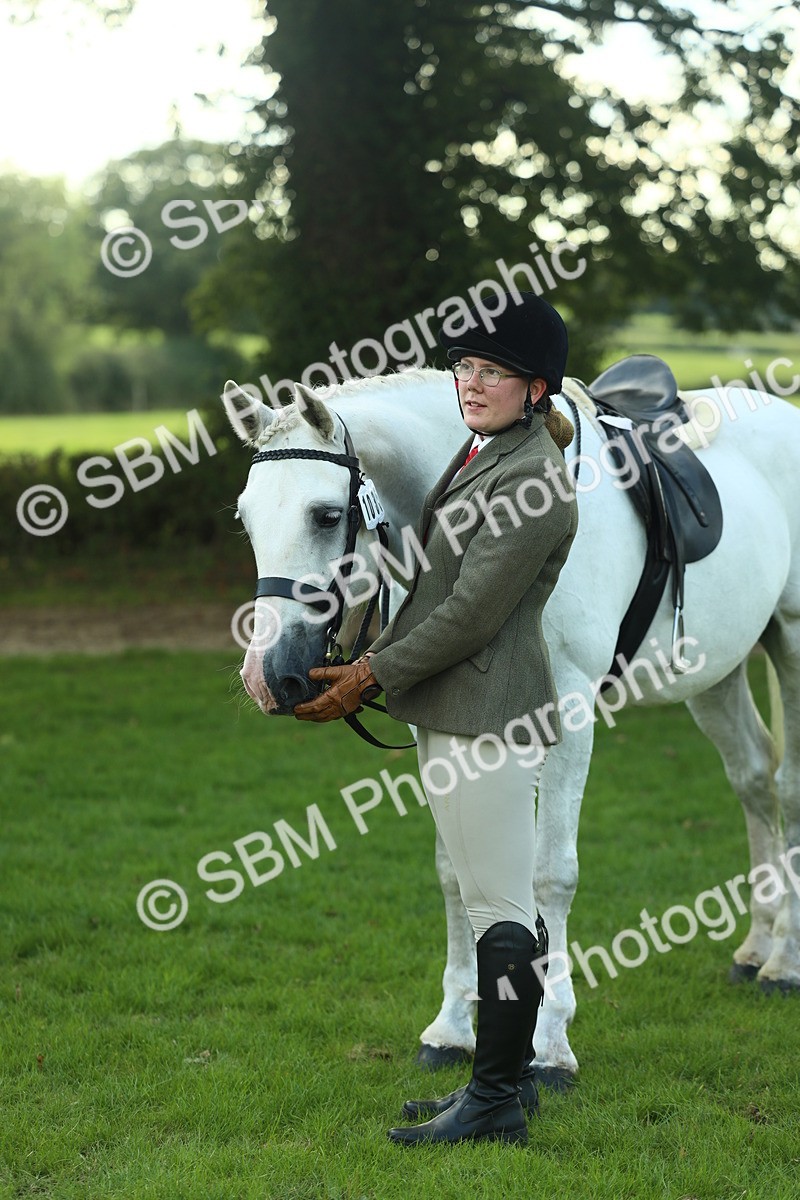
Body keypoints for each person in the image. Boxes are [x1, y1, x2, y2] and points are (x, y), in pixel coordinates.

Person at [294, 290, 578, 1146]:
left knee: (499, 910)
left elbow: (468, 616)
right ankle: (503, 1090)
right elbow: (428, 582)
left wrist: (364, 679)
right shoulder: (485, 452)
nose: (472, 382)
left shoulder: (534, 481)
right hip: (457, 708)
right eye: (465, 367)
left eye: (494, 372)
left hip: (487, 710)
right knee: (496, 901)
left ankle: (494, 1100)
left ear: (535, 389)